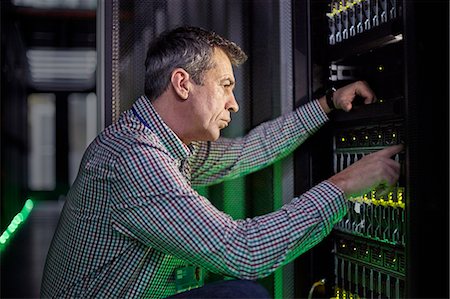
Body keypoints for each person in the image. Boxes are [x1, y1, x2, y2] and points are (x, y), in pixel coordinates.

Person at [40, 26, 403, 298]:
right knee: (244, 295)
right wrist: (344, 186)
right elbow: (245, 251)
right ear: (182, 84)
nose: (233, 103)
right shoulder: (135, 158)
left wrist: (327, 103)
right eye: (225, 85)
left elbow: (249, 151)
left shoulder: (164, 144)